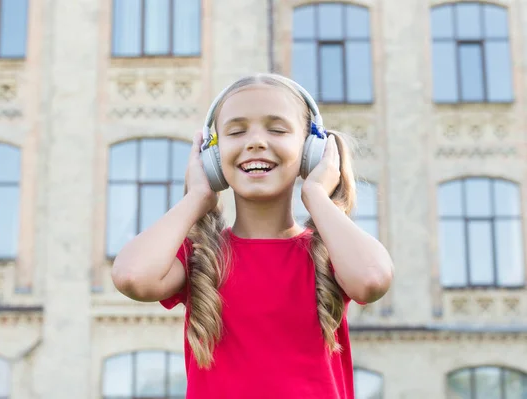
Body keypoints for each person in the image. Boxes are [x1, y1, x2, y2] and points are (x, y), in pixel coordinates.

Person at [111, 73, 394, 398]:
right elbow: (131, 276)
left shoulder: (329, 252)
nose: (256, 142)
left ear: (310, 152)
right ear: (212, 157)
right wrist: (196, 198)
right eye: (236, 131)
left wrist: (315, 194)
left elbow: (373, 279)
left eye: (276, 129)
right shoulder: (201, 256)